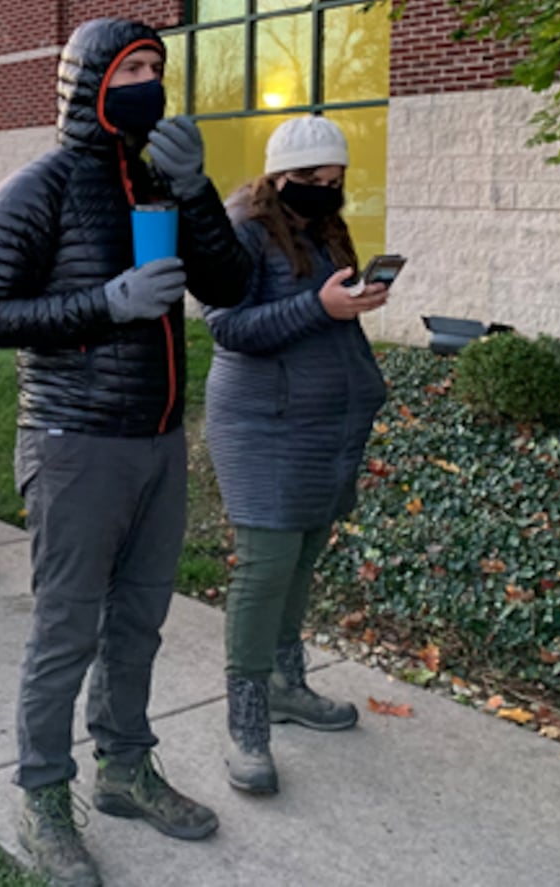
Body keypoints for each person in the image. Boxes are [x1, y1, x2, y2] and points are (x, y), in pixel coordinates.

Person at [0, 18, 253, 886]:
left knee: (138, 622)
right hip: (75, 442)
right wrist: (108, 302)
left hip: (158, 440)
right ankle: (45, 794)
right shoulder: (35, 188)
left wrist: (197, 190)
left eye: (159, 67)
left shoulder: (160, 182)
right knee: (66, 629)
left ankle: (124, 768)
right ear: (89, 80)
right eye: (132, 66)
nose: (150, 81)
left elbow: (231, 286)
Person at [202, 116, 387, 795]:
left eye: (334, 181)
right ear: (277, 175)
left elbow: (325, 308)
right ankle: (247, 723)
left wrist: (354, 300)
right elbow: (225, 325)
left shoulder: (323, 227)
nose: (323, 190)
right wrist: (322, 306)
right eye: (310, 180)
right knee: (264, 566)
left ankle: (286, 683)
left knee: (302, 558)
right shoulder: (241, 230)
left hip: (324, 424)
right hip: (261, 422)